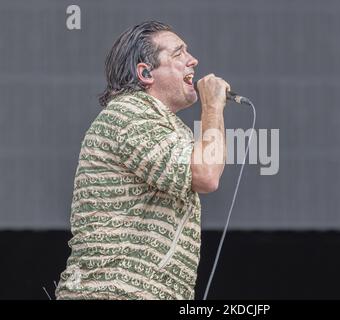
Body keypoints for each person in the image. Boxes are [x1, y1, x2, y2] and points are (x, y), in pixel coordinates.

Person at [55, 20, 229, 300]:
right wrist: (211, 107)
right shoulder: (129, 115)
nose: (193, 60)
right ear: (145, 72)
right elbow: (206, 174)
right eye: (178, 53)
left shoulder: (163, 127)